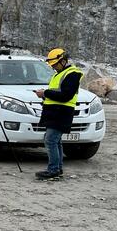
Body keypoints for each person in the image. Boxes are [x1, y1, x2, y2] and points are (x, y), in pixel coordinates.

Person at [33, 48, 83, 180]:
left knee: (50, 140)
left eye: (55, 64)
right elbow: (58, 93)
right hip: (55, 112)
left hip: (61, 112)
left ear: (63, 61)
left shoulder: (72, 74)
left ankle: (53, 170)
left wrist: (45, 93)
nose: (53, 67)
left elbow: (66, 96)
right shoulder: (60, 74)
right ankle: (57, 168)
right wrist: (45, 95)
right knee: (55, 141)